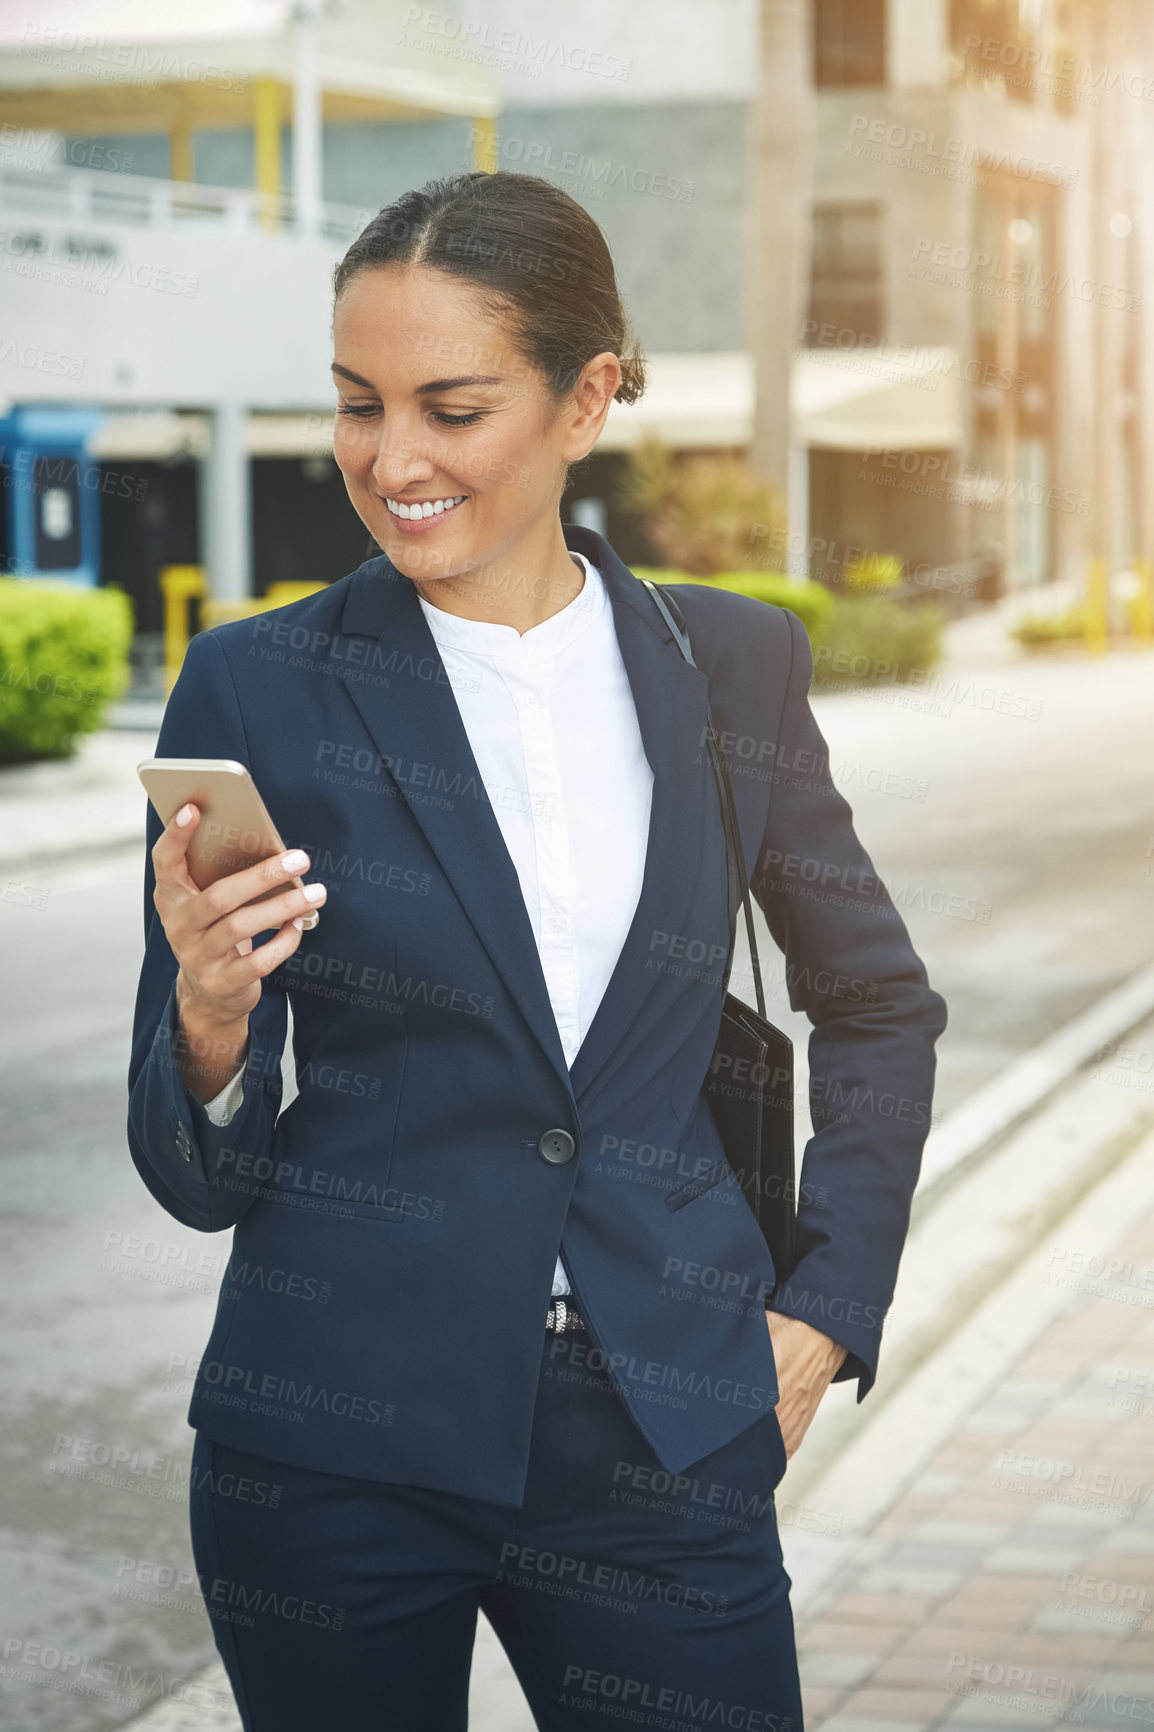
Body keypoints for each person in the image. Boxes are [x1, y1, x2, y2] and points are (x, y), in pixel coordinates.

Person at [127, 170, 948, 1732]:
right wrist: (211, 1019)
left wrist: (827, 1306)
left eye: (451, 405)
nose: (392, 459)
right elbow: (193, 1173)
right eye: (358, 405)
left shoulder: (731, 662)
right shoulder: (255, 686)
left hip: (664, 1426)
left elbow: (874, 1002)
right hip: (332, 1446)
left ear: (587, 398)